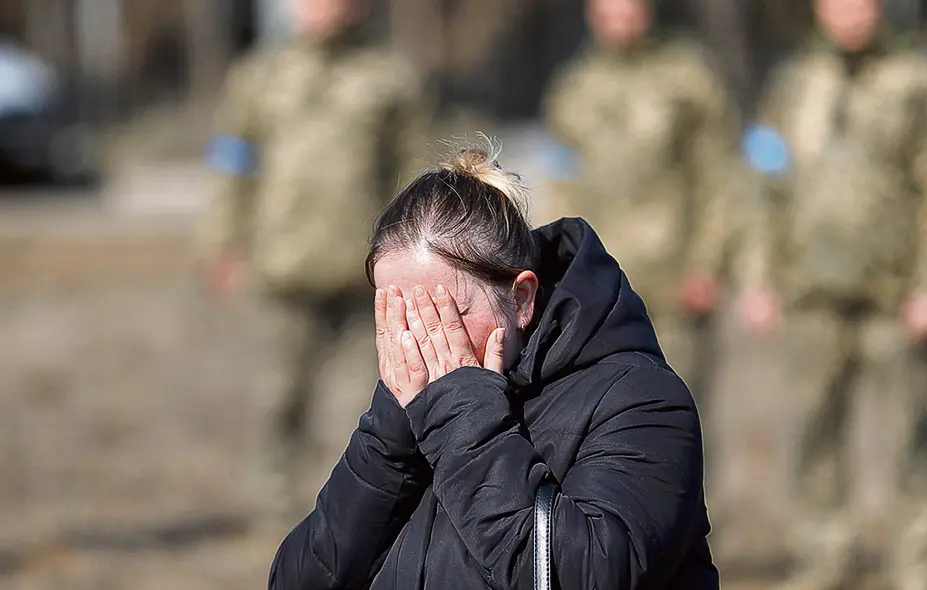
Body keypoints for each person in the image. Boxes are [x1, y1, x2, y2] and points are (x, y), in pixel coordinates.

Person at [267, 142, 719, 589]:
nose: (422, 340)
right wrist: (389, 438)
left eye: (444, 314)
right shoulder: (405, 414)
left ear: (521, 298)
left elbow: (580, 574)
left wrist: (463, 415)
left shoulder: (641, 400)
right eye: (400, 316)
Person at [739, 0, 927, 588]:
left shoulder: (918, 80)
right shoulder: (794, 83)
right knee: (814, 437)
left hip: (897, 299)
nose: (851, 11)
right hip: (812, 295)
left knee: (909, 442)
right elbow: (767, 185)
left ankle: (916, 570)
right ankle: (823, 566)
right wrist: (758, 276)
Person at [196, 0, 430, 521]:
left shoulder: (388, 79)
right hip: (282, 267)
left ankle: (360, 512)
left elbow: (415, 172)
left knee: (368, 406)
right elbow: (233, 164)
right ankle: (275, 509)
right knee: (277, 397)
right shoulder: (260, 76)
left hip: (364, 273)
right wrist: (223, 243)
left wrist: (419, 255)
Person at [542, 0, 742, 406]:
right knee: (599, 417)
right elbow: (562, 183)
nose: (620, 12)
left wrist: (708, 264)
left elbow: (720, 176)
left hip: (673, 286)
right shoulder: (574, 87)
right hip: (595, 286)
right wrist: (552, 269)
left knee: (676, 412)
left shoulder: (689, 80)